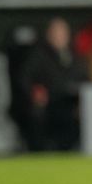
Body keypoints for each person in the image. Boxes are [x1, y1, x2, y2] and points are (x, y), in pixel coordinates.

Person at [19, 18, 85, 152]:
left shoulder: (74, 55)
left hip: (71, 103)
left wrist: (82, 100)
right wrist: (34, 91)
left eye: (62, 33)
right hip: (49, 104)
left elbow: (85, 79)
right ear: (49, 34)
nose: (59, 36)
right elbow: (24, 78)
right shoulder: (38, 55)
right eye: (56, 33)